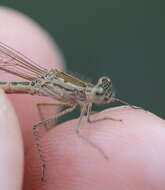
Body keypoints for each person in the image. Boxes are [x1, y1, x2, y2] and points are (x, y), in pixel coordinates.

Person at [0, 7, 165, 190]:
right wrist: (98, 149)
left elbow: (81, 116)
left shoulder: (84, 98)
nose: (102, 97)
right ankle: (43, 165)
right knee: (38, 126)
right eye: (99, 94)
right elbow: (79, 132)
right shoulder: (81, 97)